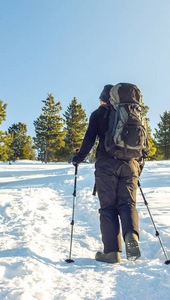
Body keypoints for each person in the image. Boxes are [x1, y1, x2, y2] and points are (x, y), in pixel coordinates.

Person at [72, 84, 144, 263]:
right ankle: (131, 236)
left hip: (106, 166)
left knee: (108, 207)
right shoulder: (132, 113)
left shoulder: (99, 114)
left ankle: (111, 252)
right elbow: (143, 145)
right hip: (130, 165)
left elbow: (89, 139)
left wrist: (78, 158)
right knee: (127, 204)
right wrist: (138, 167)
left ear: (106, 99)